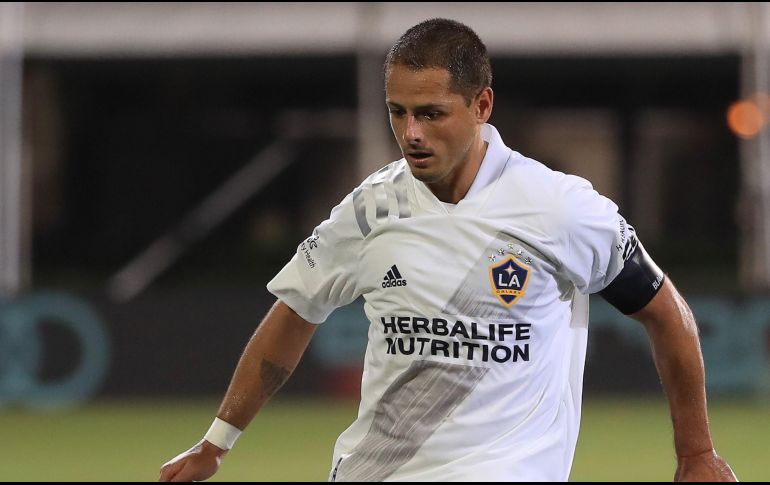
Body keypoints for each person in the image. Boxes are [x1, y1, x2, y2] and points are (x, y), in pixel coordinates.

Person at [159, 18, 738, 482]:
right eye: (398, 112)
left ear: (482, 106)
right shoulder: (370, 209)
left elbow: (667, 314)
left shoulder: (560, 209)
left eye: (431, 113)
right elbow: (293, 313)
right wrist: (217, 443)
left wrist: (696, 453)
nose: (411, 132)